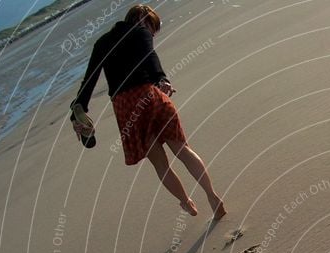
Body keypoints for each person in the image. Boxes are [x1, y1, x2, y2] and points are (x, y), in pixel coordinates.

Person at [70, 4, 226, 219]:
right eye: (153, 29)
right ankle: (212, 196)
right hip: (149, 95)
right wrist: (161, 78)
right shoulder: (140, 30)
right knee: (182, 150)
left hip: (126, 107)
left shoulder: (102, 43)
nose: (152, 34)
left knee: (160, 164)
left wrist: (77, 109)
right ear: (144, 20)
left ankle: (185, 201)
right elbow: (149, 56)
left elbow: (89, 80)